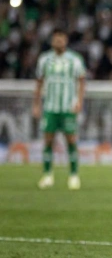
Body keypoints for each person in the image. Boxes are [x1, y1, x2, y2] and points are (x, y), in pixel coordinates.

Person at [33, 29, 87, 190]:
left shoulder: (75, 60)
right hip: (50, 107)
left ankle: (74, 175)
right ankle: (47, 175)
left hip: (68, 107)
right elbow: (39, 83)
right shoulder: (44, 60)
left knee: (71, 140)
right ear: (52, 41)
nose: (59, 42)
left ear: (66, 41)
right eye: (56, 39)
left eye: (61, 39)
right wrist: (36, 104)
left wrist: (79, 101)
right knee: (48, 140)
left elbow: (81, 81)